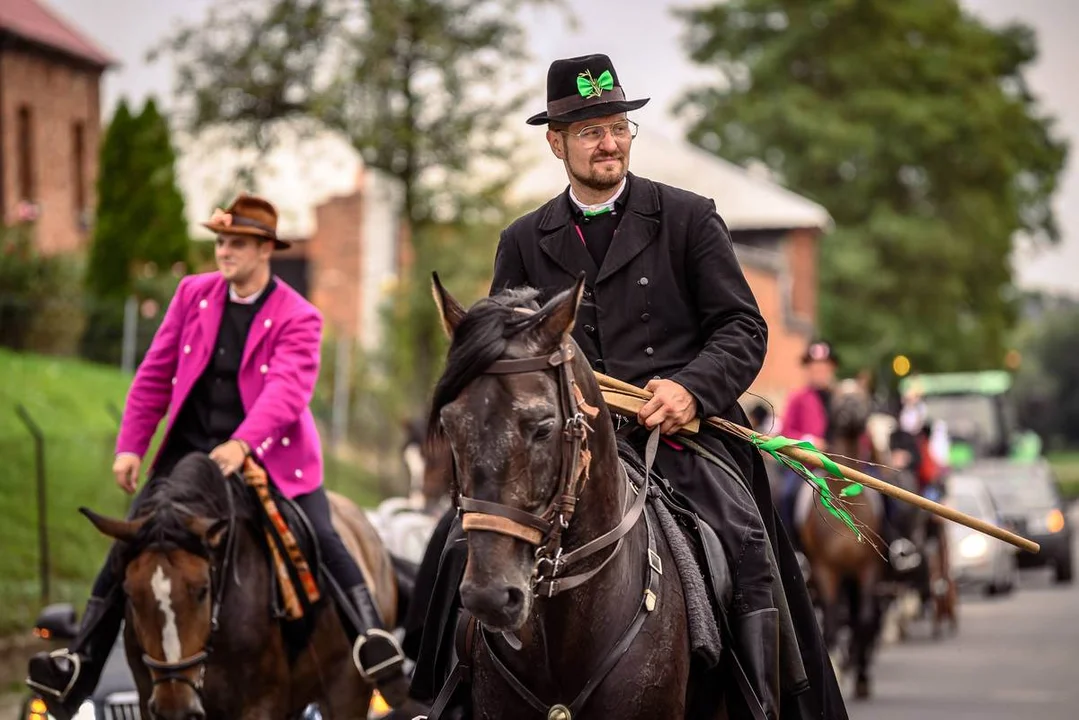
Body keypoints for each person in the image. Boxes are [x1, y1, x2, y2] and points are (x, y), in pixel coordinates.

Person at [406, 54, 847, 720]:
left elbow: (741, 328)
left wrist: (691, 389)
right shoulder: (523, 239)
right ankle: (439, 695)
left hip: (682, 436)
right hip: (561, 441)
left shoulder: (689, 218)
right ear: (556, 141)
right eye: (589, 131)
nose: (607, 142)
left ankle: (763, 700)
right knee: (461, 538)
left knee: (744, 538)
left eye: (616, 126)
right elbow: (497, 357)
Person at [26, 194, 408, 718]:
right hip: (189, 457)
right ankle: (80, 662)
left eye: (236, 243)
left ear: (265, 249)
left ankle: (371, 640)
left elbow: (287, 391)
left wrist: (243, 442)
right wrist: (131, 446)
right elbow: (155, 374)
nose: (224, 251)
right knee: (133, 539)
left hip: (270, 458)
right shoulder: (192, 294)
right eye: (221, 241)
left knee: (321, 533)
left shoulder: (299, 316)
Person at [778, 341, 839, 537]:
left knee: (880, 489)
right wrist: (808, 441)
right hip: (807, 468)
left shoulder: (842, 397)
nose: (819, 371)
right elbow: (785, 431)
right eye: (814, 366)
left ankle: (895, 543)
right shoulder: (797, 398)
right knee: (786, 495)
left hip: (843, 466)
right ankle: (794, 549)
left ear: (832, 368)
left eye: (824, 366)